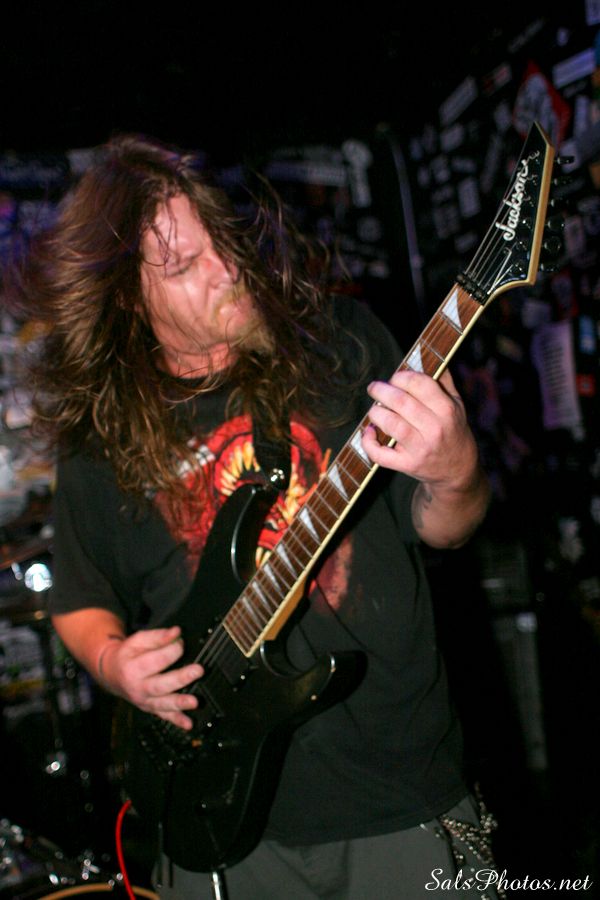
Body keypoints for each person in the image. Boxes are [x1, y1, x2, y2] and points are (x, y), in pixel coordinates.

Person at [13, 135, 498, 899]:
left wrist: (457, 470)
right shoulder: (100, 437)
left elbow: (447, 525)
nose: (227, 268)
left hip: (401, 789)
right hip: (215, 815)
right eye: (183, 264)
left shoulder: (339, 344)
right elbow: (79, 598)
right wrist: (114, 665)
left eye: (221, 240)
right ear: (128, 299)